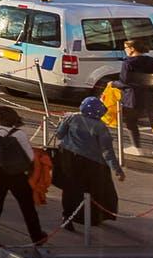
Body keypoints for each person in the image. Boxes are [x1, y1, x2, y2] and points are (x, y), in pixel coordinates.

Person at [0, 105, 43, 255]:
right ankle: (37, 237)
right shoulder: (20, 134)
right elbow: (30, 156)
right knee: (27, 207)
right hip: (17, 174)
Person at [52, 96, 124, 231]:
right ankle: (91, 217)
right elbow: (107, 151)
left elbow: (59, 135)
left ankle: (67, 217)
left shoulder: (72, 118)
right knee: (94, 191)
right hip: (92, 164)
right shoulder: (100, 127)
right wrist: (117, 170)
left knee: (70, 189)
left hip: (68, 158)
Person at [118, 39, 153, 157]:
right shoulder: (151, 61)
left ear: (132, 49)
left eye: (126, 48)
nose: (125, 50)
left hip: (133, 98)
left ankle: (136, 147)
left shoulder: (128, 63)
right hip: (151, 96)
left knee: (131, 122)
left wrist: (114, 83)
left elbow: (124, 81)